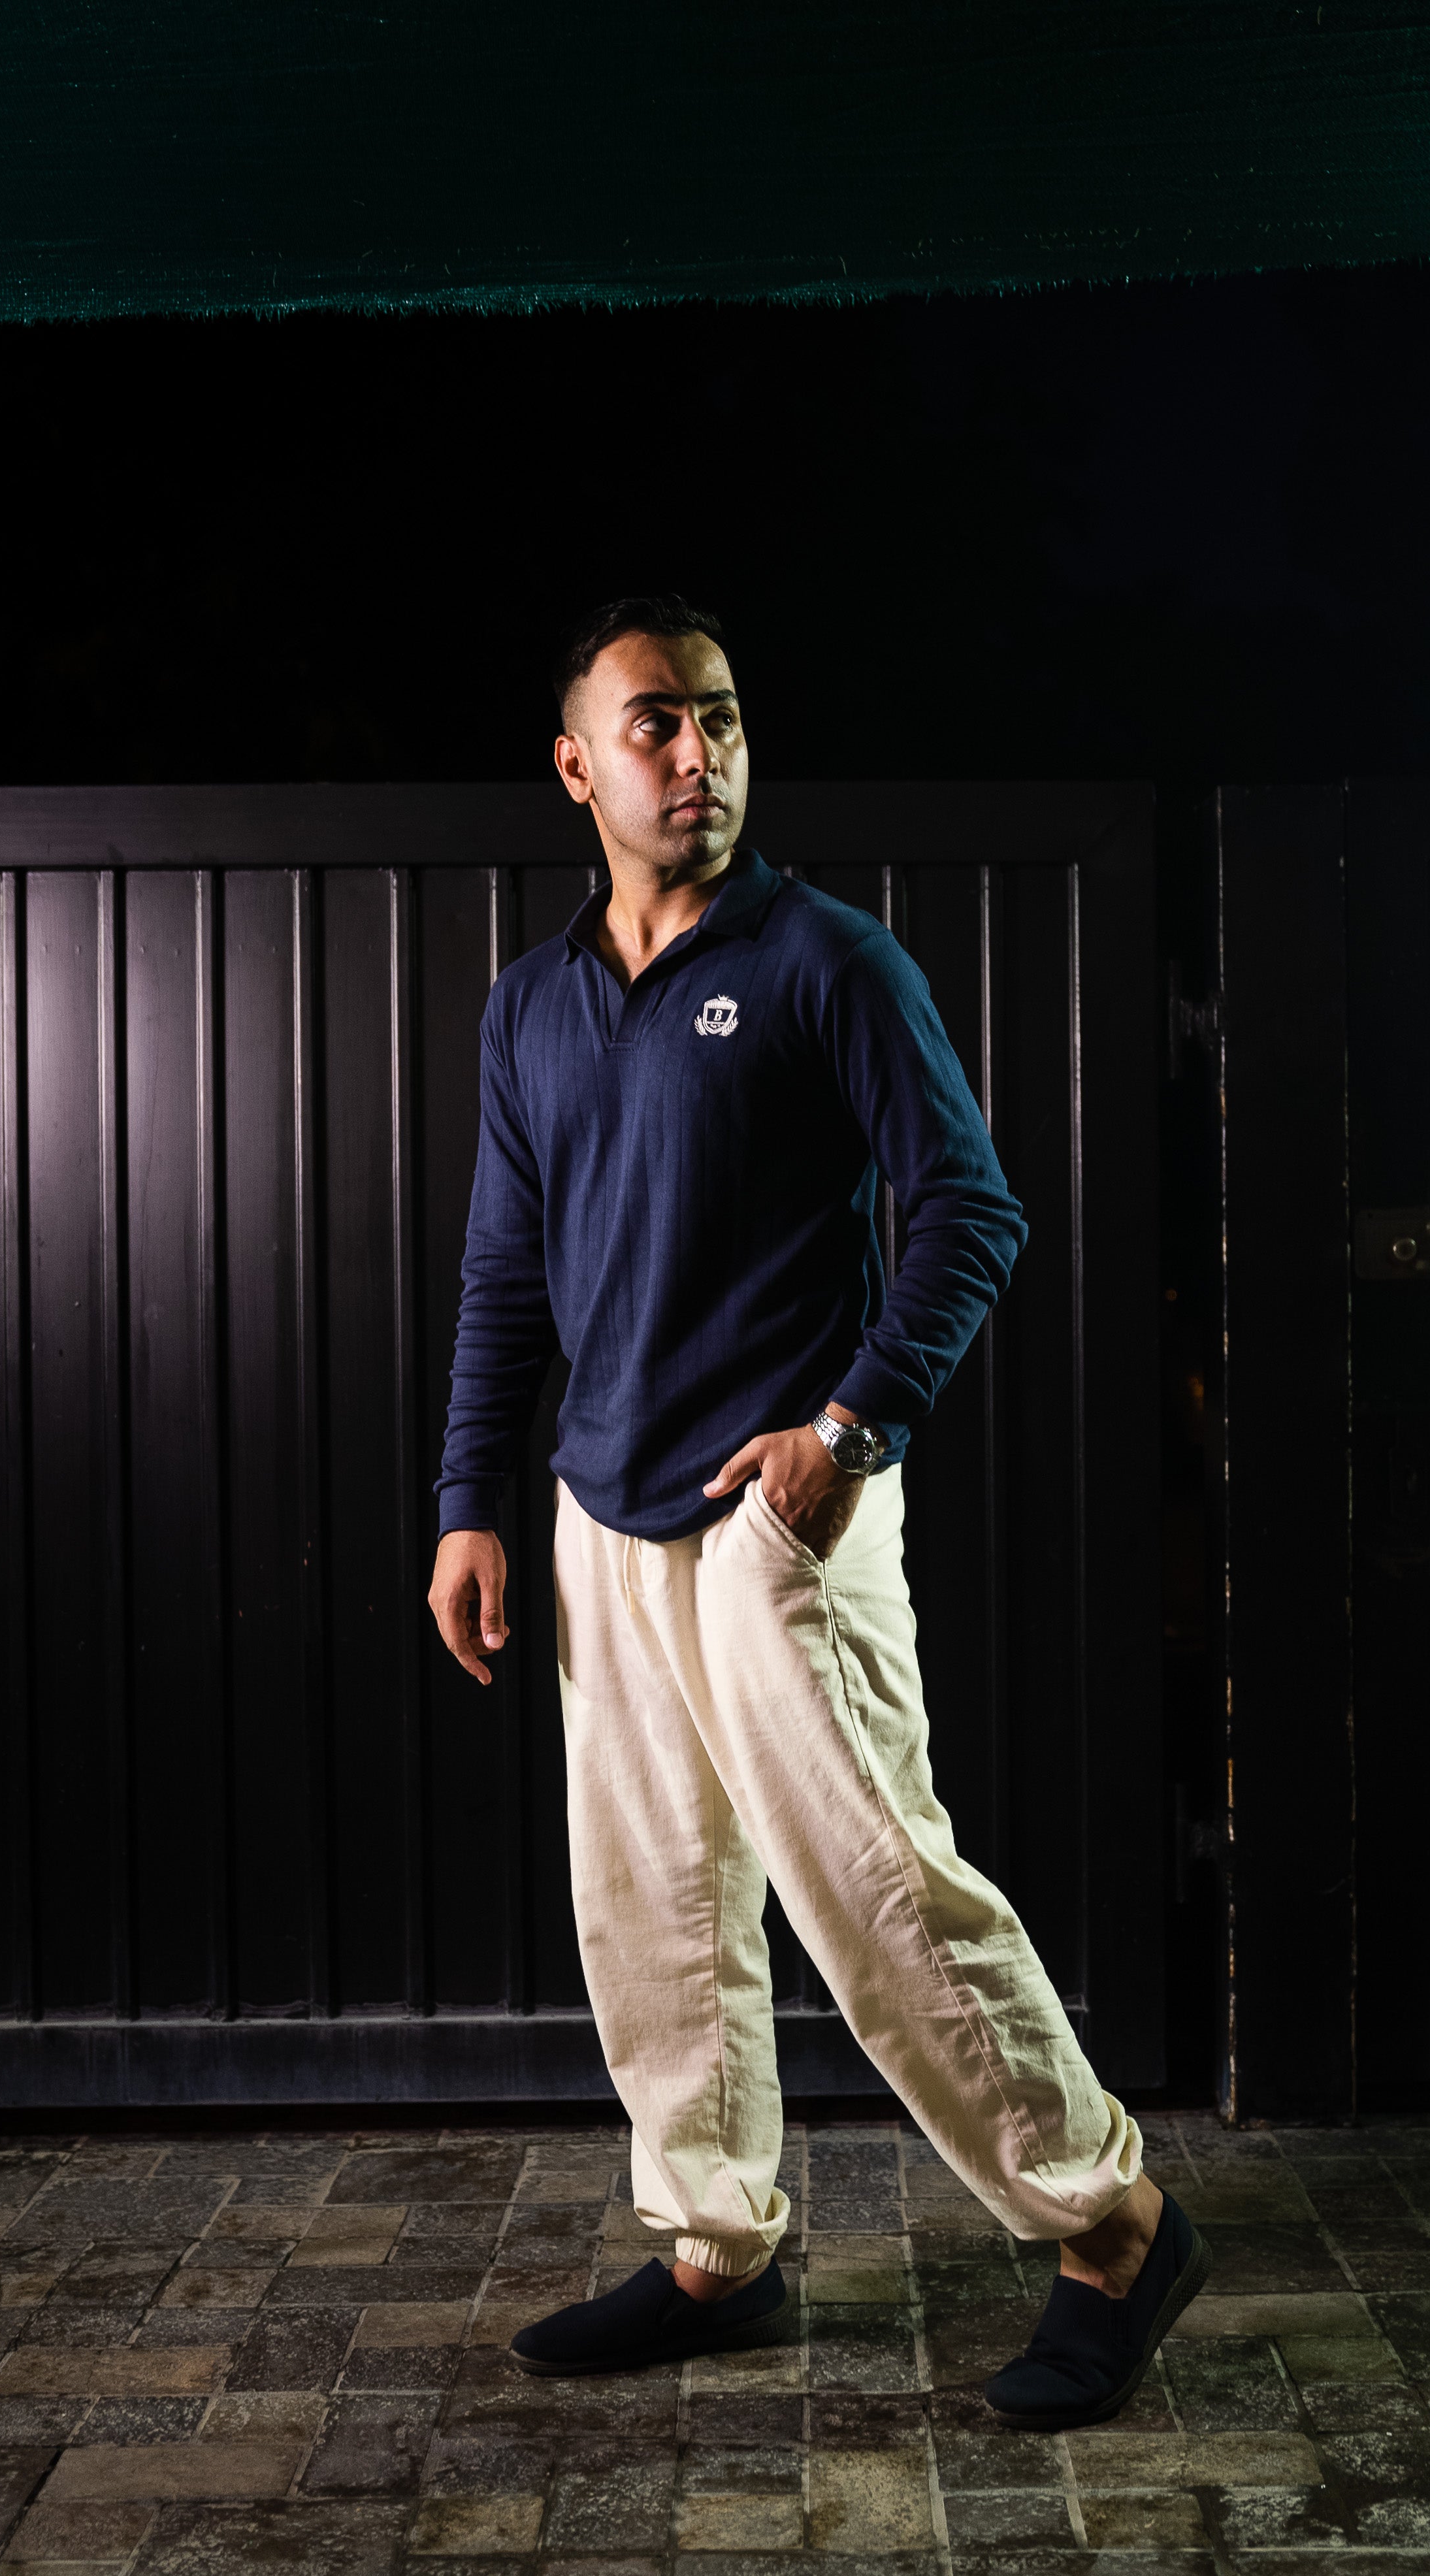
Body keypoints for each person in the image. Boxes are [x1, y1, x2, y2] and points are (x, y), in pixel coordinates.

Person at [426, 594, 1208, 2428]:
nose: (695, 751)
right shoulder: (532, 1006)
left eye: (719, 716)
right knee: (653, 1906)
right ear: (576, 766)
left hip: (781, 1515)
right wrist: (471, 1500)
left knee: (878, 1892)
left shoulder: (827, 962)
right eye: (654, 723)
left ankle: (1115, 2230)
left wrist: (848, 1432)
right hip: (602, 1516)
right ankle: (718, 2245)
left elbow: (972, 1209)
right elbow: (505, 1275)